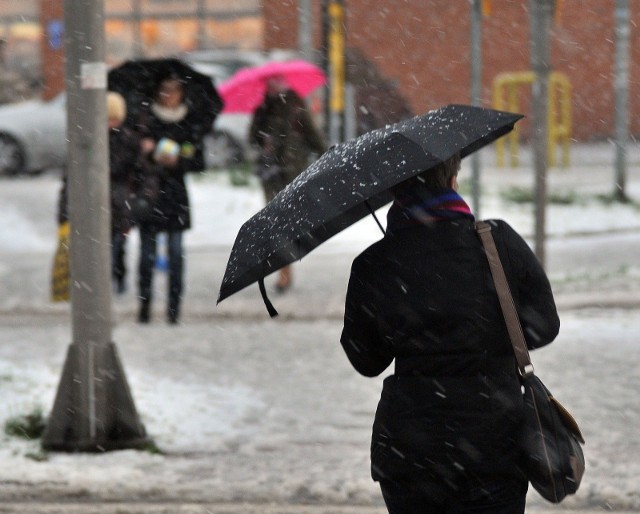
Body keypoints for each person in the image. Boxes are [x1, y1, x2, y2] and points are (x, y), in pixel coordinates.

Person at [340, 154, 560, 513]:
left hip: (411, 451)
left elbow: (366, 360)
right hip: (495, 444)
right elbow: (544, 327)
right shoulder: (497, 242)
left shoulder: (374, 263)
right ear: (453, 178)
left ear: (394, 190)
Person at [134, 76, 207, 324]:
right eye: (164, 90)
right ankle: (144, 306)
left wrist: (180, 160)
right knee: (147, 256)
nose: (169, 95)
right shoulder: (146, 120)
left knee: (176, 254)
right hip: (150, 194)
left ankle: (174, 309)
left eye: (174, 90)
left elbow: (199, 160)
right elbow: (130, 156)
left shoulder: (188, 122)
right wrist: (147, 153)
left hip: (175, 196)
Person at [53, 91, 140, 299]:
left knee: (117, 248)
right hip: (93, 207)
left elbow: (136, 175)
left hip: (118, 206)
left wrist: (135, 206)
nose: (111, 123)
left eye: (114, 118)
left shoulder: (127, 141)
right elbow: (71, 179)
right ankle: (100, 285)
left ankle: (116, 279)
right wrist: (64, 211)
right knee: (95, 251)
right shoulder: (87, 141)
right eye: (107, 118)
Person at [249, 75, 327, 292]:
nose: (272, 87)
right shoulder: (263, 109)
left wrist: (327, 154)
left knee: (286, 226)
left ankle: (285, 268)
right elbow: (251, 138)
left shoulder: (295, 106)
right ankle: (284, 271)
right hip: (270, 175)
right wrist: (260, 127)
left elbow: (312, 135)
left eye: (277, 82)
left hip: (292, 174)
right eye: (269, 83)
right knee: (275, 226)